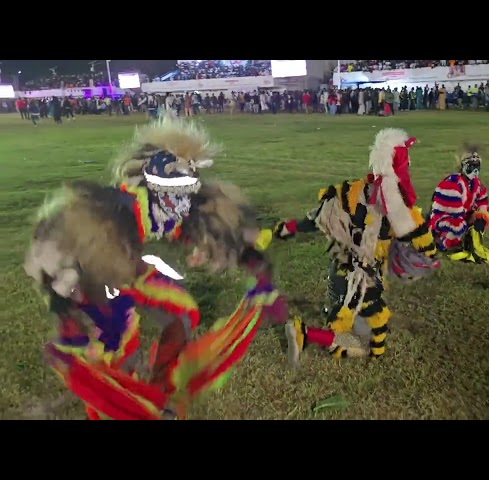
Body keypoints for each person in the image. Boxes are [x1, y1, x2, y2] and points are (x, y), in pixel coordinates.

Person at [24, 113, 285, 420]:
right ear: (155, 188)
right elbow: (61, 256)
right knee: (117, 344)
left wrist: (255, 265)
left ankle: (162, 391)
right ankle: (123, 407)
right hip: (87, 275)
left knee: (182, 312)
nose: (184, 202)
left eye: (187, 192)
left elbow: (216, 232)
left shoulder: (169, 205)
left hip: (127, 266)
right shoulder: (114, 214)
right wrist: (65, 314)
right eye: (176, 193)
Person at [270, 128, 440, 366]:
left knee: (344, 307)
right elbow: (417, 232)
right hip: (361, 277)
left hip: (340, 266)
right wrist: (431, 253)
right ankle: (305, 334)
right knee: (365, 325)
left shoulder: (352, 190)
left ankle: (344, 322)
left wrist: (288, 227)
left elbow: (319, 216)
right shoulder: (396, 204)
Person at [427, 144, 489, 265]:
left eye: (477, 167)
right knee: (458, 225)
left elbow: (482, 203)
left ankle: (473, 244)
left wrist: (481, 214)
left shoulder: (477, 184)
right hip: (444, 218)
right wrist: (471, 217)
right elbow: (454, 213)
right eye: (472, 167)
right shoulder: (452, 184)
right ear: (464, 166)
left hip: (463, 215)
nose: (475, 171)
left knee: (485, 216)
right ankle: (442, 243)